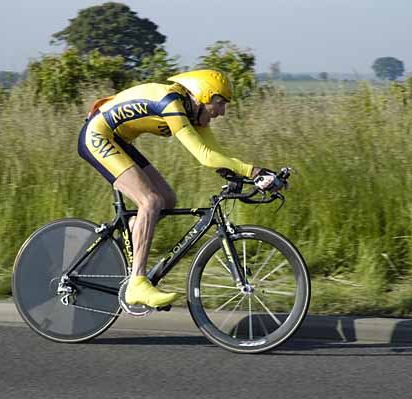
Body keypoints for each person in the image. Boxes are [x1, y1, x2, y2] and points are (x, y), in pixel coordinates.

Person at [77, 69, 277, 308]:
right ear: (203, 96)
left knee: (167, 200)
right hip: (97, 136)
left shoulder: (195, 113)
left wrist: (246, 174)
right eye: (220, 103)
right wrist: (253, 172)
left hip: (119, 140)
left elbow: (216, 154)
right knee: (150, 202)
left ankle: (130, 237)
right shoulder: (172, 104)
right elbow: (203, 156)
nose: (222, 112)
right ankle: (137, 284)